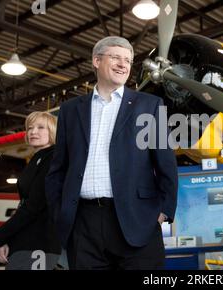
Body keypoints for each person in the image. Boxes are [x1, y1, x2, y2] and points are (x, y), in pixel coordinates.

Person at [45, 36, 178, 270]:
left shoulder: (150, 105)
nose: (123, 64)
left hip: (138, 220)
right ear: (96, 61)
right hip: (83, 224)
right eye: (116, 57)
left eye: (128, 60)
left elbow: (165, 163)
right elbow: (58, 168)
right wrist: (61, 212)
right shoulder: (69, 110)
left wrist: (165, 210)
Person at [0, 111, 61, 270]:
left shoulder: (53, 158)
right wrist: (9, 238)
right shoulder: (38, 158)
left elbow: (34, 205)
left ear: (52, 131)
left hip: (39, 241)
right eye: (30, 128)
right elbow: (24, 206)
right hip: (28, 240)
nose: (33, 132)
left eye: (40, 127)